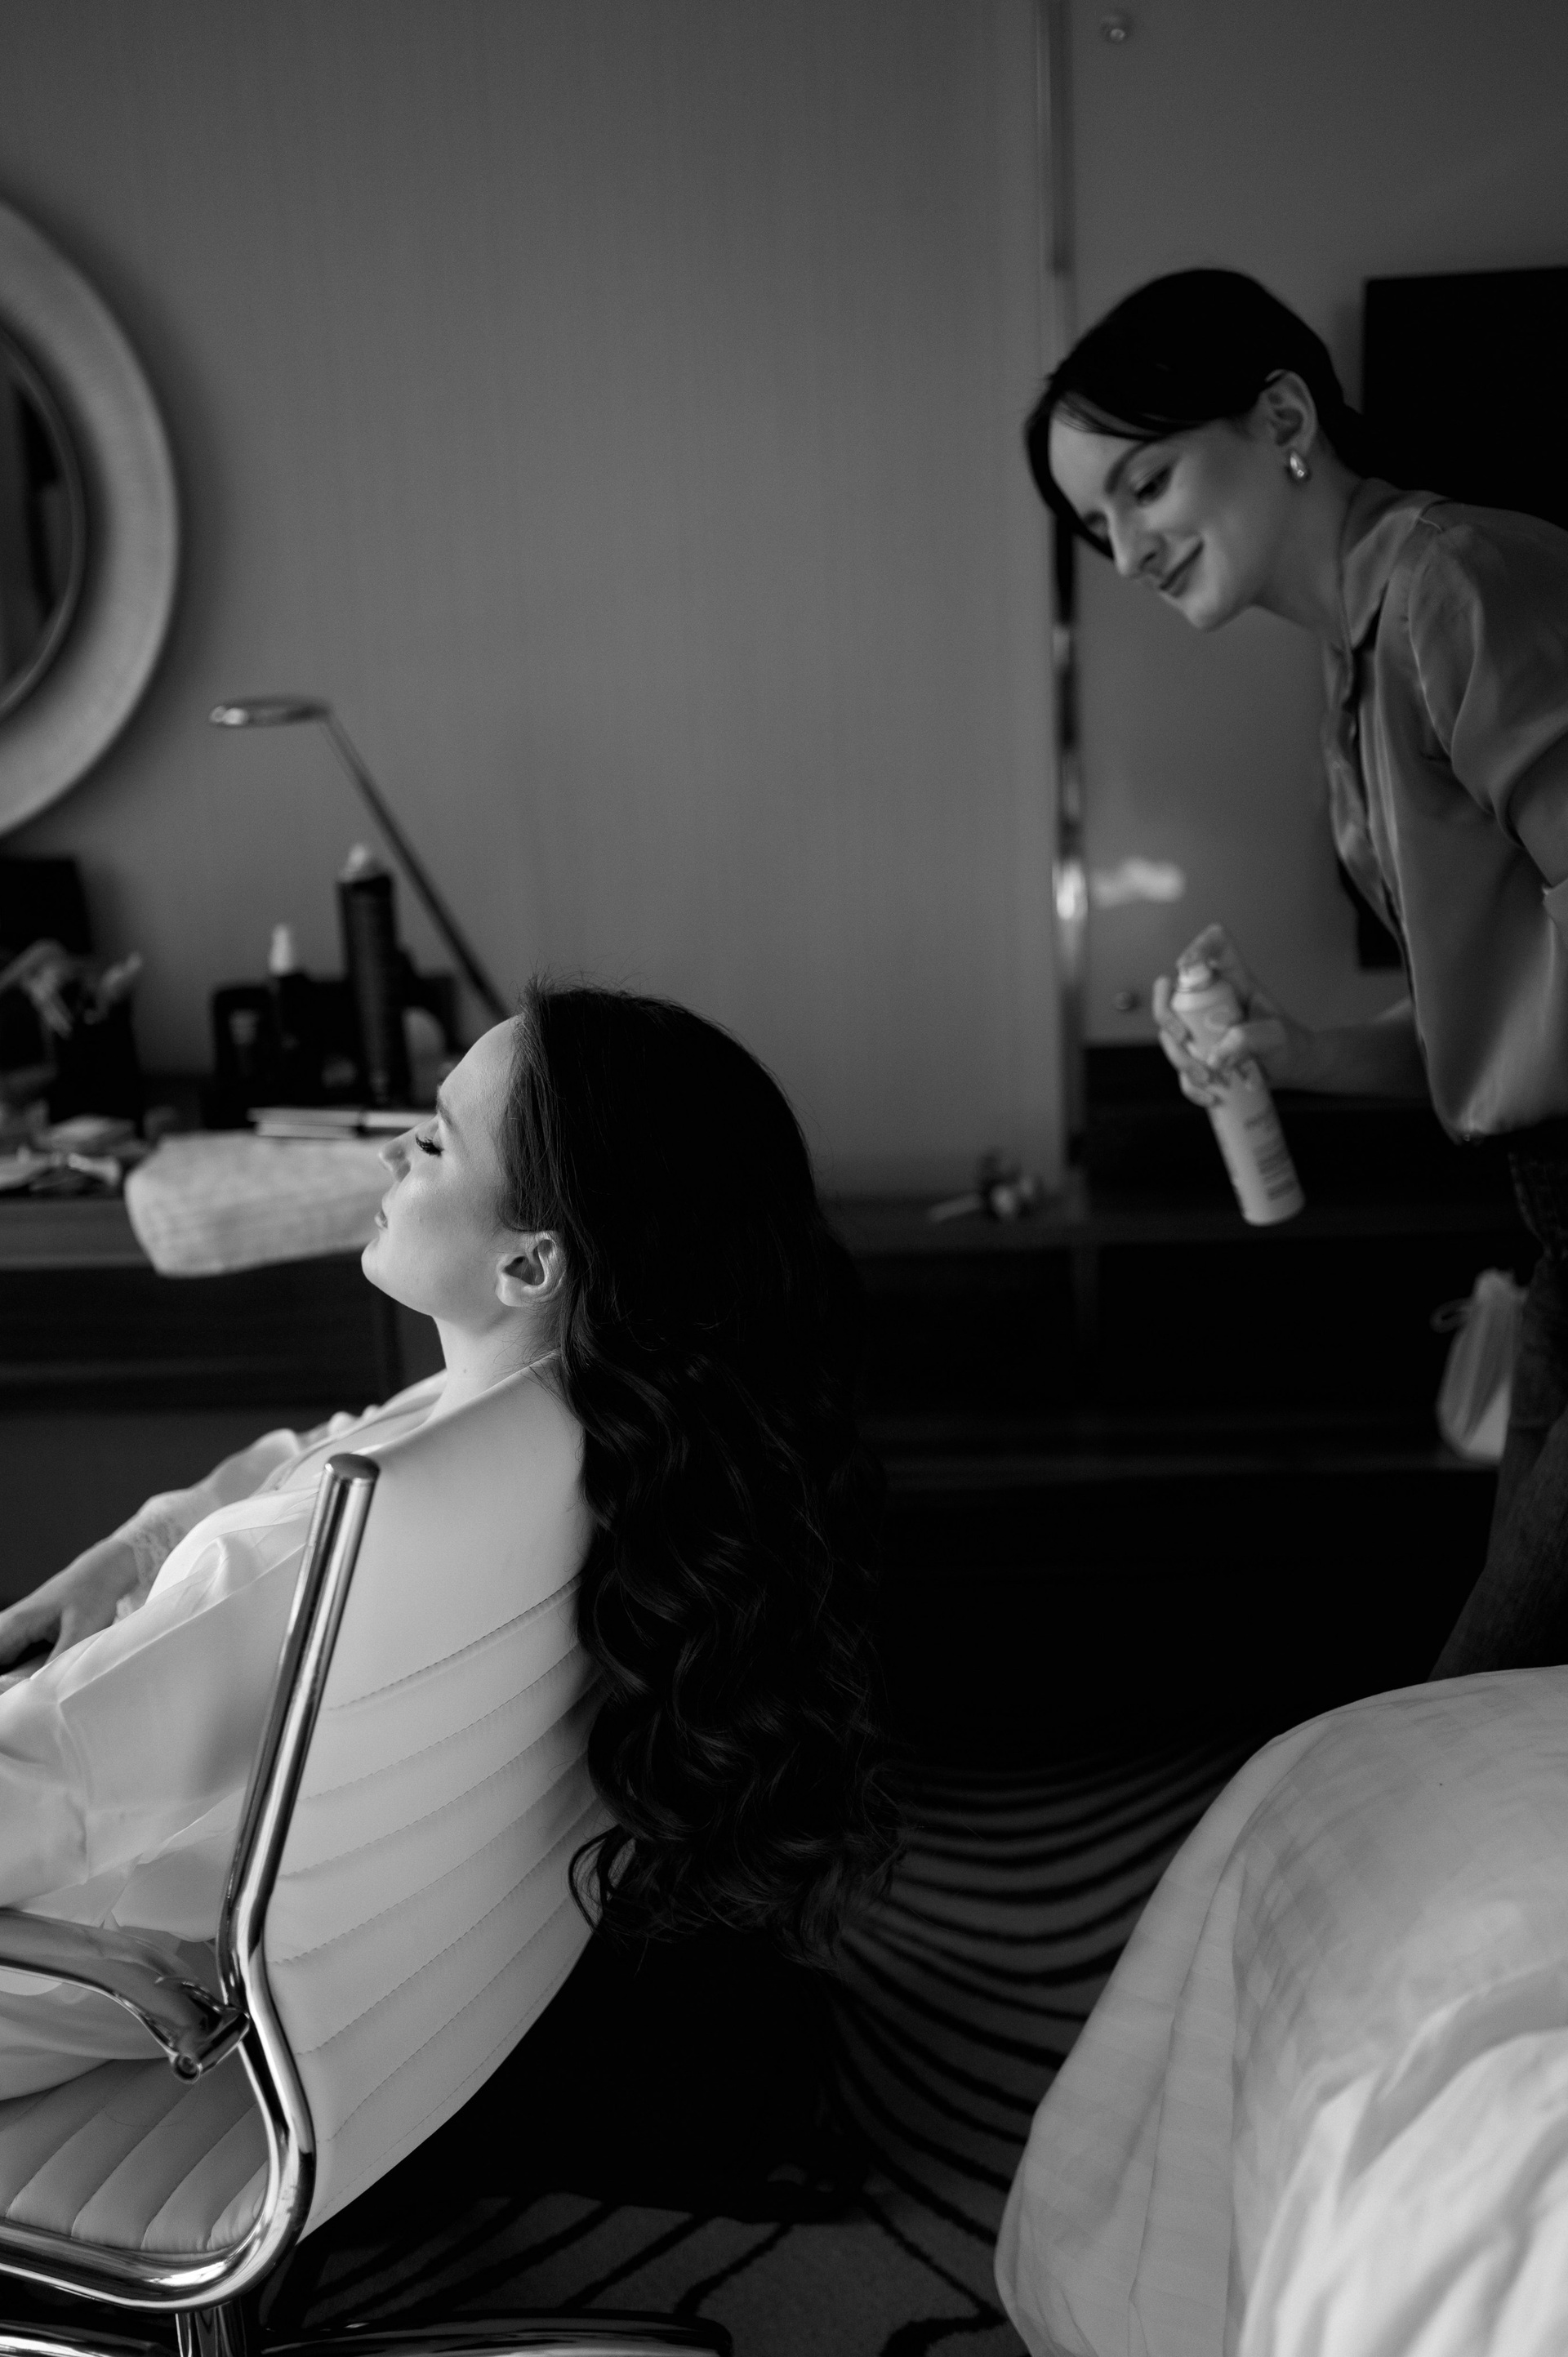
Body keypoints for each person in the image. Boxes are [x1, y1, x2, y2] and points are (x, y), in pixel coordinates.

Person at [0, 980, 899, 2096]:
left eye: (430, 1140)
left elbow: (39, 1795)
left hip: (50, 1973)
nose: (389, 1156)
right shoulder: (576, 1443)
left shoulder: (299, 1558)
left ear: (530, 1263)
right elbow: (318, 1442)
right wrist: (128, 1557)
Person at [1027, 267, 1568, 1678]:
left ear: (1282, 416)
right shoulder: (1359, 649)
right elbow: (1507, 1013)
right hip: (1556, 1229)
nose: (1126, 551)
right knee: (1509, 1708)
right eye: (1097, 524)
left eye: (1145, 485)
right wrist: (1299, 1049)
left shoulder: (1457, 580)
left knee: (1486, 1703)